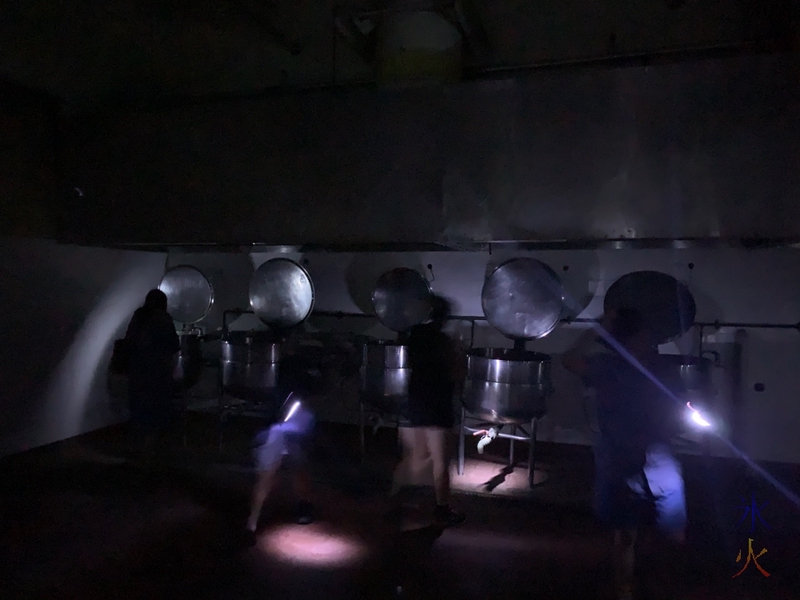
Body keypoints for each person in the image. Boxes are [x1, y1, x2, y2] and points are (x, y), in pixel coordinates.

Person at [561, 308, 687, 600]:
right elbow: (568, 360)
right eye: (643, 335)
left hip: (651, 455)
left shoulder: (656, 367)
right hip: (623, 456)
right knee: (626, 530)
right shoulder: (608, 366)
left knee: (669, 529)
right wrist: (598, 328)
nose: (649, 340)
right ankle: (625, 589)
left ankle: (647, 583)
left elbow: (680, 405)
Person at [390, 295, 466, 528]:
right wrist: (460, 351)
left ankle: (394, 503)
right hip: (437, 405)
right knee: (441, 461)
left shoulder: (413, 336)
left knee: (412, 458)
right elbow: (456, 372)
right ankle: (442, 509)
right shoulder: (443, 342)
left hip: (413, 402)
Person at [124, 289, 181, 466]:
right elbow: (173, 346)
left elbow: (129, 342)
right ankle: (150, 455)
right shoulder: (164, 319)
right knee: (155, 414)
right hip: (157, 374)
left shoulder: (138, 316)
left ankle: (139, 453)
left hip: (137, 374)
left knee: (139, 413)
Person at [247, 395, 315, 531]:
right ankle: (251, 524)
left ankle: (304, 504)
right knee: (266, 478)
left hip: (293, 429)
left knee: (298, 468)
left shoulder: (303, 412)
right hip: (273, 430)